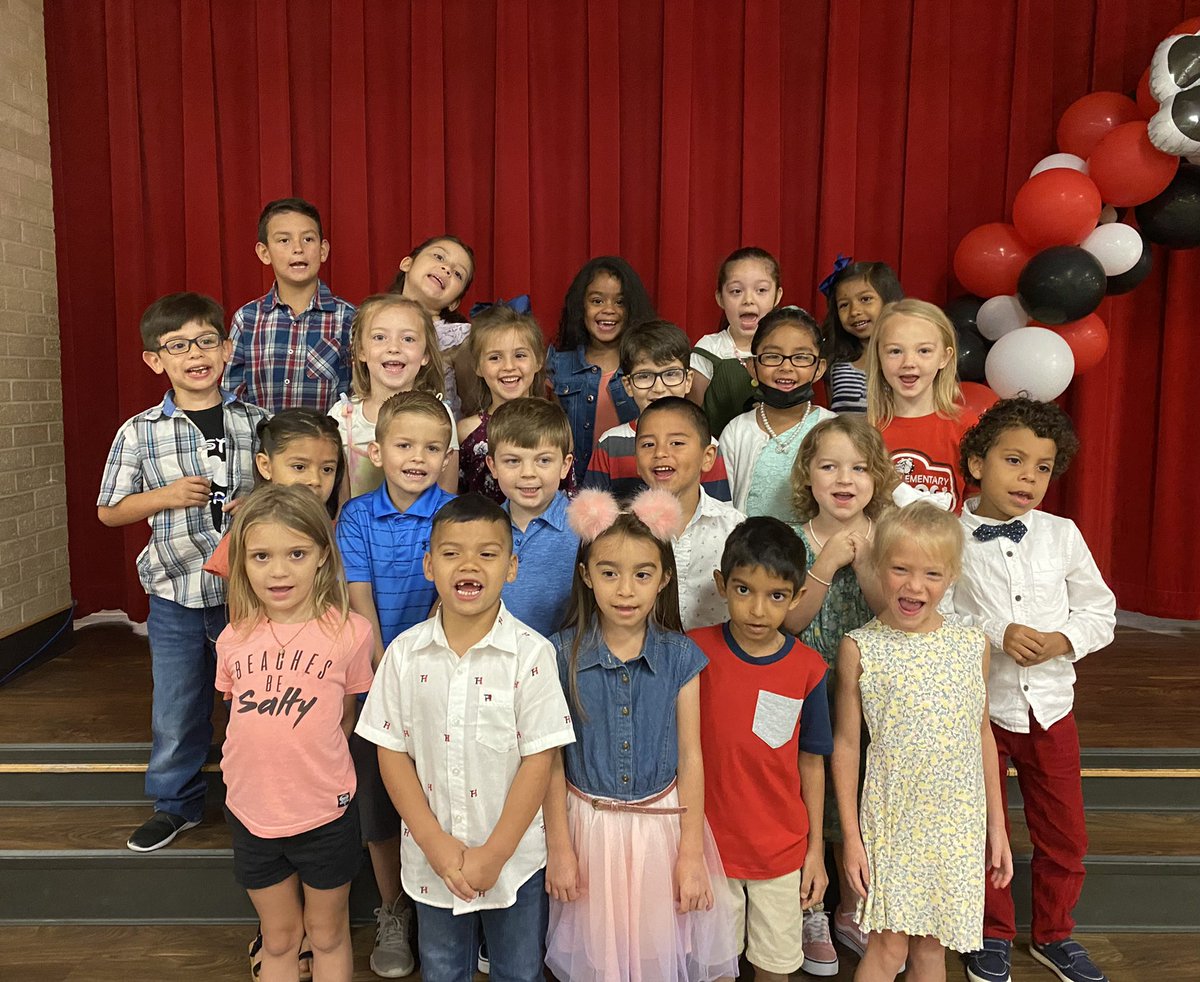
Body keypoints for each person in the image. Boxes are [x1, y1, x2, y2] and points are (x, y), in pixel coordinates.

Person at [356, 494, 576, 981]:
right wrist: (434, 842)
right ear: (429, 565)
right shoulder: (404, 655)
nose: (469, 565)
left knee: (518, 970)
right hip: (432, 860)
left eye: (488, 553)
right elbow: (391, 752)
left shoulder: (531, 655)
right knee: (442, 969)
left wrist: (495, 853)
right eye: (452, 553)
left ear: (512, 567)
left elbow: (539, 760)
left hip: (514, 860)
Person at [543, 488, 739, 982]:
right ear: (586, 576)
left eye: (642, 574)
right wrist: (562, 850)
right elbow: (549, 759)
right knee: (599, 958)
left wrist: (690, 852)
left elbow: (691, 757)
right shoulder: (558, 654)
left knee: (656, 956)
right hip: (588, 830)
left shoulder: (679, 657)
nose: (625, 590)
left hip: (662, 831)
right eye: (609, 573)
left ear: (664, 578)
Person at [98, 292, 268, 852]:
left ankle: (255, 799)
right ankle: (176, 804)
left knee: (253, 702)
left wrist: (260, 506)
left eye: (204, 341)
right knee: (177, 705)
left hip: (247, 595)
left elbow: (287, 493)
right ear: (155, 360)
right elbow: (109, 510)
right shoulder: (138, 431)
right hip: (174, 593)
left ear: (225, 348)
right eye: (177, 346)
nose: (193, 354)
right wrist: (163, 497)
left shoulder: (255, 423)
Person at [954, 399, 1116, 982]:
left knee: (1064, 830)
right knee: (980, 826)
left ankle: (1055, 933)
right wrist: (999, 632)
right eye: (1014, 460)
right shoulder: (948, 537)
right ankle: (990, 933)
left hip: (1050, 708)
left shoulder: (1062, 535)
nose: (1029, 477)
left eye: (1043, 467)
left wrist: (1062, 638)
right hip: (980, 711)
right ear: (977, 463)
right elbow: (937, 612)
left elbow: (1101, 612)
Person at [832, 504, 1012, 981]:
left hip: (957, 824)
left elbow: (982, 734)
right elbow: (847, 746)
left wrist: (997, 826)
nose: (914, 587)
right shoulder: (860, 647)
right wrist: (852, 837)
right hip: (893, 819)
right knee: (889, 949)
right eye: (900, 569)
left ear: (951, 575)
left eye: (931, 573)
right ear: (877, 568)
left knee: (933, 953)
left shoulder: (973, 645)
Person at [216, 484, 373, 982]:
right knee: (280, 939)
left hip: (325, 814)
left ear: (322, 557)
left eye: (296, 554)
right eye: (261, 556)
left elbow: (345, 718)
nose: (278, 571)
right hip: (252, 813)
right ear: (242, 562)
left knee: (326, 935)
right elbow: (239, 718)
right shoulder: (232, 638)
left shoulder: (351, 633)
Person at [335, 390, 457, 978]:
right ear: (377, 451)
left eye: (432, 448)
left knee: (439, 792)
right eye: (404, 445)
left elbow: (453, 601)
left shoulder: (455, 514)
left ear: (447, 455)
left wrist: (424, 672)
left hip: (441, 674)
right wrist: (387, 678)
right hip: (379, 676)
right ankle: (392, 908)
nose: (417, 457)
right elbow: (361, 609)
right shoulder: (357, 516)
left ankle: (442, 907)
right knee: (380, 802)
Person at [692, 518, 833, 981]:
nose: (757, 609)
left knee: (775, 967)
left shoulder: (809, 669)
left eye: (775, 596)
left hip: (781, 851)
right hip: (711, 849)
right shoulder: (694, 654)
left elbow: (812, 762)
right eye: (743, 590)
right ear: (721, 585)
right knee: (713, 967)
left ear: (795, 598)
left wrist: (815, 851)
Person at [782, 416, 896, 966]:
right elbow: (789, 622)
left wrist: (868, 557)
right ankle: (810, 906)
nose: (843, 479)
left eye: (858, 468)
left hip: (866, 695)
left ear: (877, 477)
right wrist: (826, 562)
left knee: (858, 793)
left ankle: (852, 902)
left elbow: (891, 613)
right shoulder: (793, 540)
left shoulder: (888, 537)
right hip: (806, 690)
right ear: (808, 475)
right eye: (829, 466)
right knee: (808, 793)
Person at [224, 198, 356, 413]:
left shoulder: (348, 318)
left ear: (323, 250)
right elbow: (233, 395)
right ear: (264, 253)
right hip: (263, 444)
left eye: (308, 239)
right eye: (284, 240)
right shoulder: (247, 319)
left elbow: (357, 392)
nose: (298, 249)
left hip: (326, 442)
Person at [584, 319, 731, 502]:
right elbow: (590, 516)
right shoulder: (610, 444)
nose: (659, 388)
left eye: (671, 374)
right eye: (644, 376)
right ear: (628, 385)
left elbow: (718, 514)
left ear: (688, 380)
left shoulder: (706, 444)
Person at [330, 294, 458, 501]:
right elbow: (339, 503)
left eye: (408, 339)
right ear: (361, 351)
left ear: (425, 354)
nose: (394, 348)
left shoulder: (440, 415)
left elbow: (447, 498)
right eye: (380, 337)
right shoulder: (342, 416)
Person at [633, 397, 745, 631]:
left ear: (708, 457)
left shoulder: (736, 529)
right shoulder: (622, 528)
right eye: (647, 445)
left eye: (676, 443)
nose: (661, 453)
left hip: (715, 662)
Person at [546, 256, 656, 483]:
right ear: (581, 306)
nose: (609, 310)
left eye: (619, 302)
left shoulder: (647, 368)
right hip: (572, 491)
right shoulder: (557, 364)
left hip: (635, 487)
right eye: (597, 301)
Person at [721, 307, 834, 520]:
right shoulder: (737, 431)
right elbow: (722, 506)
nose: (786, 366)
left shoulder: (832, 428)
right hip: (750, 548)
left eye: (801, 357)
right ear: (753, 366)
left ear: (819, 368)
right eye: (773, 356)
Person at [204, 408, 344, 579]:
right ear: (265, 466)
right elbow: (239, 597)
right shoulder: (246, 532)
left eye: (327, 469)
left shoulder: (345, 533)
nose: (315, 480)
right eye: (299, 467)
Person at [866, 299, 978, 513]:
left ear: (944, 357)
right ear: (878, 357)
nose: (909, 362)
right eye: (895, 351)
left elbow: (979, 506)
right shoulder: (865, 432)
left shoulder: (967, 427)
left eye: (924, 351)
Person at [487, 398, 580, 638]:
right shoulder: (483, 528)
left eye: (544, 460)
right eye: (513, 461)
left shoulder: (584, 529)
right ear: (492, 465)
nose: (528, 473)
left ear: (565, 465)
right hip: (497, 661)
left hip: (561, 662)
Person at [457, 304, 549, 501]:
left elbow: (567, 495)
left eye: (519, 355)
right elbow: (457, 497)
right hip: (481, 530)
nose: (508, 366)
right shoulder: (466, 431)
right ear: (478, 367)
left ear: (538, 361)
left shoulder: (553, 424)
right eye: (495, 358)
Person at [388, 235, 477, 417]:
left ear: (454, 303)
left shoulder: (461, 339)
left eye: (458, 274)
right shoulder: (367, 320)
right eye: (438, 257)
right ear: (407, 264)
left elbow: (472, 402)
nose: (447, 269)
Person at [691, 247, 783, 411]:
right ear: (720, 298)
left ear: (777, 295)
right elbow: (690, 412)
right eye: (736, 291)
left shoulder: (787, 349)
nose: (748, 300)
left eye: (761, 290)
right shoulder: (710, 349)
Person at [818, 258, 904, 415]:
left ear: (889, 302)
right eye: (844, 305)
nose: (854, 311)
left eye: (865, 299)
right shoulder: (835, 363)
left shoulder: (907, 361)